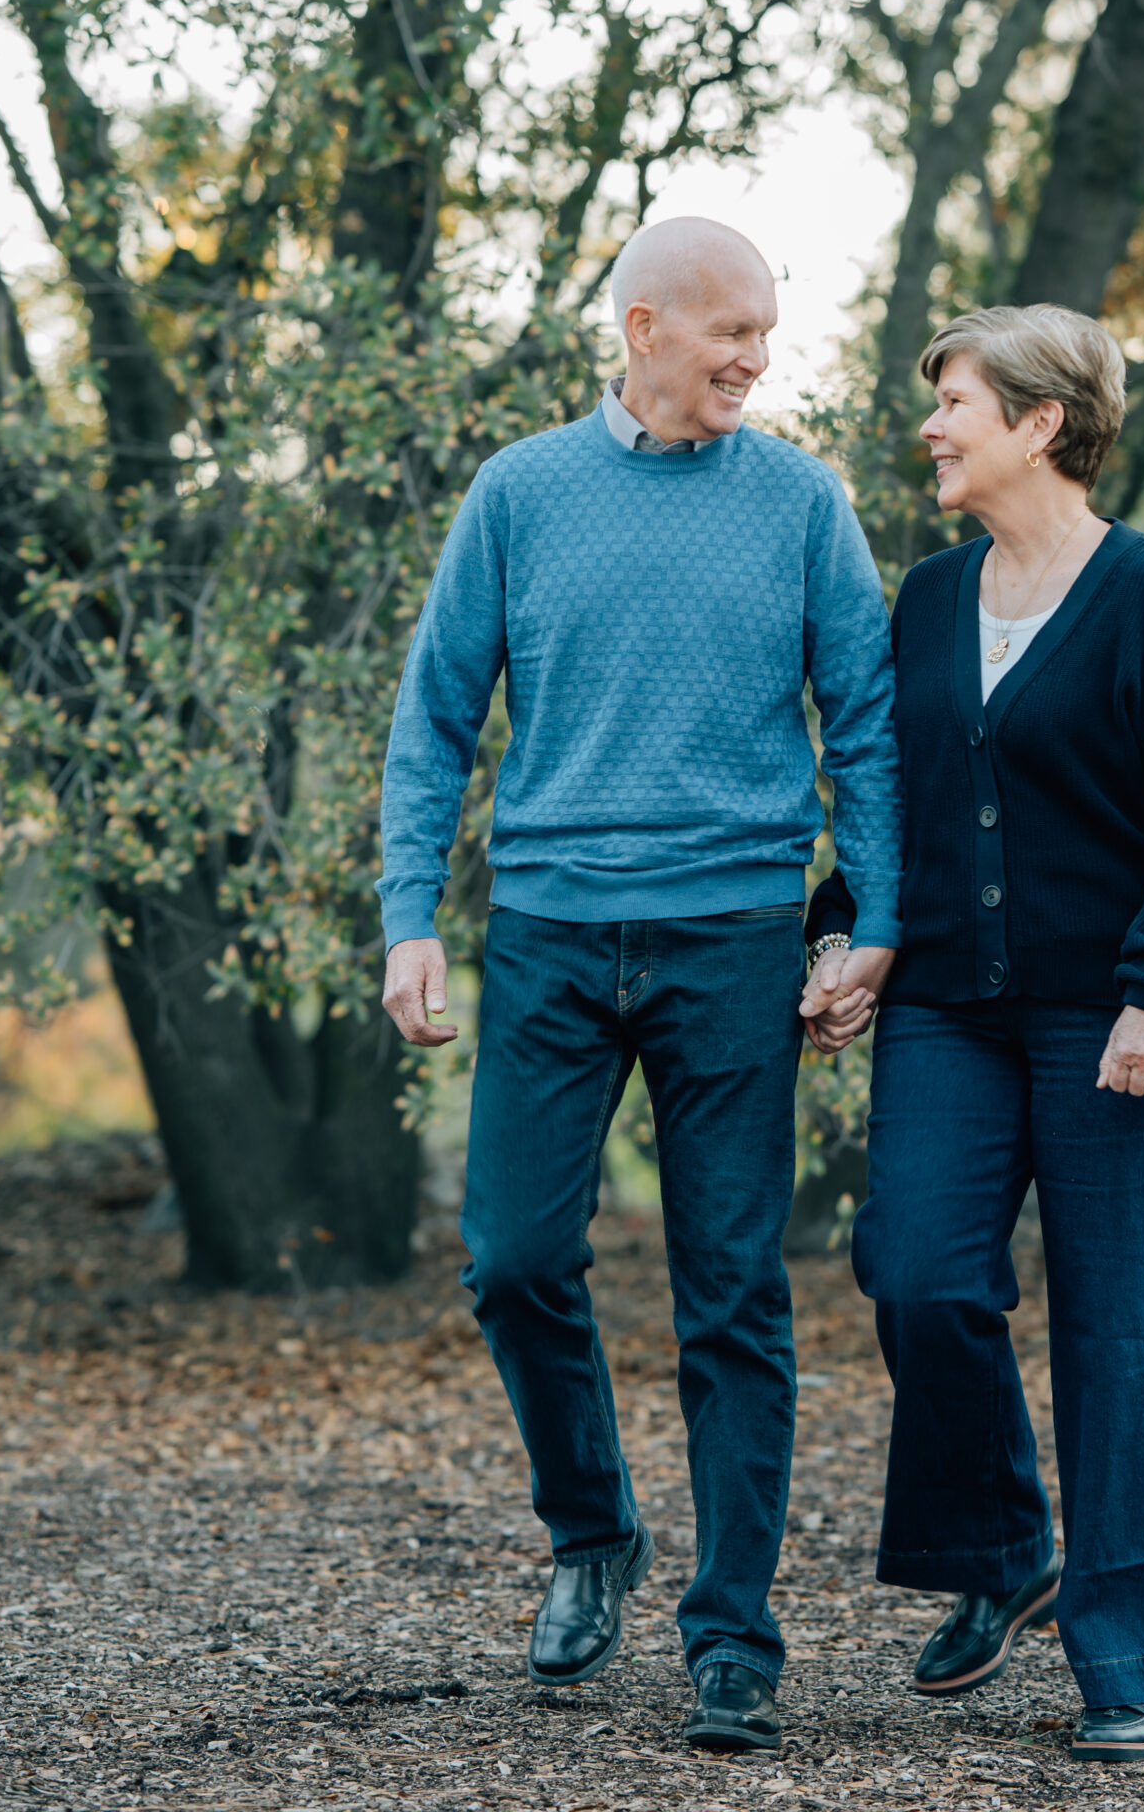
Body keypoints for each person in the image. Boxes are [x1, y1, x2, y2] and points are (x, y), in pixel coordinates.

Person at [377, 217, 901, 1757]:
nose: (754, 359)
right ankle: (593, 1529)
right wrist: (414, 916)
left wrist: (857, 923)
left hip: (736, 940)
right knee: (511, 1260)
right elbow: (436, 717)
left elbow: (863, 728)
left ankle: (733, 1634)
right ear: (643, 326)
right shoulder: (522, 493)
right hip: (546, 929)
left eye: (768, 337)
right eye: (730, 332)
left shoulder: (805, 504)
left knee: (732, 1291)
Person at [800, 302, 1144, 1766]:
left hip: (1118, 1015)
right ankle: (1003, 1549)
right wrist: (842, 927)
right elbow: (892, 789)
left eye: (955, 405)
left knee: (1119, 1331)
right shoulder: (929, 600)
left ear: (1040, 425)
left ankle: (1125, 1661)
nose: (929, 427)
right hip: (949, 1007)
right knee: (916, 1270)